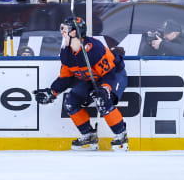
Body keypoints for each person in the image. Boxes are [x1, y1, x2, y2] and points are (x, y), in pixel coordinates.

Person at [34, 17, 128, 151]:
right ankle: (89, 135)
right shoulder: (66, 52)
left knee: (102, 99)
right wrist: (52, 92)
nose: (61, 32)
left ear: (74, 33)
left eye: (64, 29)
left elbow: (109, 74)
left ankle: (121, 136)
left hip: (114, 75)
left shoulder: (94, 49)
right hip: (92, 79)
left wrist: (105, 89)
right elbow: (65, 78)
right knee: (70, 101)